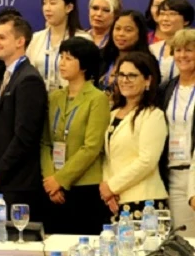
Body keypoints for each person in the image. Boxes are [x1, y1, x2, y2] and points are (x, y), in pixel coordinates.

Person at [40, 37, 110, 235]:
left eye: (69, 58)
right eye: (61, 57)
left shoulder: (97, 98)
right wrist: (50, 179)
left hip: (84, 186)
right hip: (52, 187)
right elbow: (45, 142)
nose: (62, 63)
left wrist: (61, 179)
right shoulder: (55, 97)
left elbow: (91, 147)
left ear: (84, 65)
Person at [0, 14, 48, 215]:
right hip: (3, 182)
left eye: (1, 37)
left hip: (19, 185)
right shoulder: (7, 76)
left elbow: (24, 137)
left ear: (20, 42)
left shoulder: (28, 80)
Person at [101, 51, 168, 222]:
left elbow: (147, 160)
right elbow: (108, 158)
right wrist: (107, 188)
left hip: (144, 201)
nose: (125, 80)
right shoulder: (112, 113)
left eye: (132, 75)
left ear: (148, 80)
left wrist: (113, 186)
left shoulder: (153, 115)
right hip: (116, 201)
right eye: (121, 74)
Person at [160, 29, 195, 236]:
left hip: (194, 169)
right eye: (178, 50)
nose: (183, 55)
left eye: (189, 50)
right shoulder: (166, 89)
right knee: (183, 238)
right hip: (173, 172)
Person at [27, 0, 92, 92]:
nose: (47, 8)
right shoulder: (36, 38)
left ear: (69, 7)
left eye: (53, 3)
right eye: (44, 3)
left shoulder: (83, 40)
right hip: (39, 99)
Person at [99, 10, 152, 96]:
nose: (121, 34)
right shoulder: (102, 57)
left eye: (128, 30)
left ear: (140, 33)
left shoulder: (147, 63)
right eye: (117, 29)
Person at [150, 0, 194, 85]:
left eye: (172, 14)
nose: (165, 19)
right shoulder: (152, 49)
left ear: (186, 20)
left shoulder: (193, 47)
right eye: (162, 14)